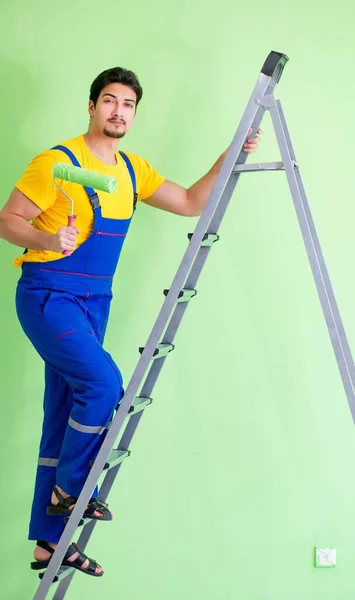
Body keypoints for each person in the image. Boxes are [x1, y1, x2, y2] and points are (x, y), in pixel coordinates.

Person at [0, 67, 261, 578]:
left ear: (134, 113)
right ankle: (70, 490)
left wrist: (229, 155)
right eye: (109, 101)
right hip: (48, 296)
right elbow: (7, 219)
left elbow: (188, 203)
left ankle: (49, 546)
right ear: (92, 106)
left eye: (128, 104)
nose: (118, 111)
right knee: (104, 385)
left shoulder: (133, 169)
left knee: (64, 412)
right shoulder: (56, 163)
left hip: (95, 302)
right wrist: (51, 241)